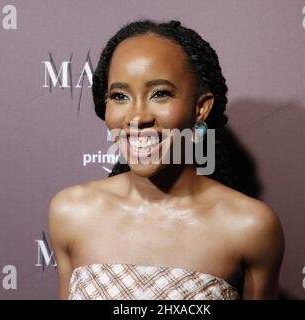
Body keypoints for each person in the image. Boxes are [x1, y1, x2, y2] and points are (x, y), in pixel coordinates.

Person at [48, 19, 284, 300]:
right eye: (120, 96)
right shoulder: (72, 213)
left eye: (160, 94)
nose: (137, 118)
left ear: (200, 108)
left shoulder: (249, 227)